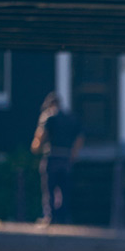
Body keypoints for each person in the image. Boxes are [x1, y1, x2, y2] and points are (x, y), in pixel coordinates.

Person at [30, 92, 83, 225]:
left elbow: (41, 137)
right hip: (65, 157)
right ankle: (64, 217)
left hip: (52, 156)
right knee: (64, 189)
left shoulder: (49, 117)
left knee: (49, 188)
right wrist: (73, 154)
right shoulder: (71, 118)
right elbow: (80, 137)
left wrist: (36, 147)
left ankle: (50, 216)